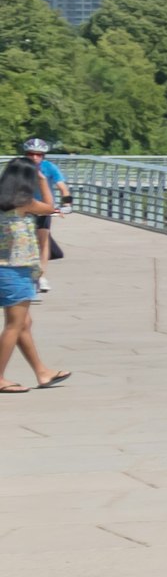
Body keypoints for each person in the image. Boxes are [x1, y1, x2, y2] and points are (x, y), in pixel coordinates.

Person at [0, 139, 63, 393]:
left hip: (6, 269)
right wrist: (41, 181)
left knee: (23, 324)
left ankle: (42, 372)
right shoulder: (24, 202)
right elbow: (49, 207)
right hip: (15, 269)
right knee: (14, 325)